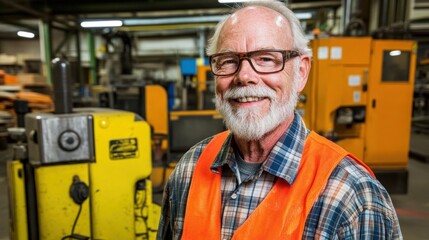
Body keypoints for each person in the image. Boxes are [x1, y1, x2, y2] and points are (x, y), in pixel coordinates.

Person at [157, 0, 402, 239]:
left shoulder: (352, 195)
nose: (244, 76)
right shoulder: (189, 170)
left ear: (301, 72)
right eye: (229, 61)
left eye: (266, 59)